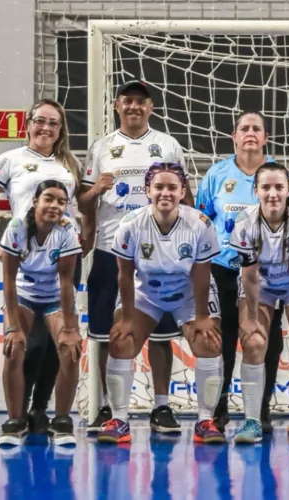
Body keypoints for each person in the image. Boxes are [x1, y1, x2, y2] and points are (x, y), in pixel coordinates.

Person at [0, 98, 85, 442]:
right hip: (25, 265)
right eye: (40, 121)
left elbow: (81, 205)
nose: (46, 128)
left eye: (53, 123)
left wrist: (86, 233)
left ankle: (43, 411)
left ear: (61, 129)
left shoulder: (69, 163)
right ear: (28, 124)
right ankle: (17, 415)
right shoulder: (11, 159)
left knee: (59, 347)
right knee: (26, 344)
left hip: (61, 260)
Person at [80, 81, 190, 435]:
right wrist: (97, 189)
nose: (134, 107)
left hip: (158, 254)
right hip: (109, 249)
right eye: (127, 101)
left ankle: (161, 406)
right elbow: (83, 201)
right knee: (102, 334)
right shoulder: (102, 147)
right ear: (116, 105)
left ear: (151, 107)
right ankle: (105, 407)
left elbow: (185, 198)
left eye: (141, 102)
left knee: (161, 335)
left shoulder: (168, 145)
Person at [97, 162, 224, 445]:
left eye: (172, 187)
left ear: (182, 192)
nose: (165, 193)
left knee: (208, 341)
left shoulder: (200, 224)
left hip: (189, 293)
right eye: (159, 187)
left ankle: (205, 420)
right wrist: (128, 317)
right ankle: (119, 419)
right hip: (146, 294)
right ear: (147, 191)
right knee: (121, 339)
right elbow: (125, 274)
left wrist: (202, 315)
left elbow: (203, 274)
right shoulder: (130, 225)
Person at [196, 111, 287, 432]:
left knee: (265, 338)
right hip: (222, 268)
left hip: (266, 272)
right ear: (233, 136)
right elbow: (201, 223)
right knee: (224, 338)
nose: (250, 133)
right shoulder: (216, 175)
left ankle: (260, 408)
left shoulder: (277, 174)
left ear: (265, 138)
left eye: (257, 129)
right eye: (244, 128)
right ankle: (218, 407)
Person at [229, 160, 289, 444]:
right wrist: (254, 318)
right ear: (256, 190)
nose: (272, 194)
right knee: (255, 341)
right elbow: (251, 275)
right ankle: (252, 421)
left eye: (279, 187)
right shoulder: (245, 222)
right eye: (266, 187)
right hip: (263, 285)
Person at [0, 181, 82, 447]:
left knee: (70, 350)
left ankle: (61, 420)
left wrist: (70, 328)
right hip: (23, 294)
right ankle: (15, 422)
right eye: (49, 199)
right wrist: (13, 325)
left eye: (61, 201)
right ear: (35, 201)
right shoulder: (17, 227)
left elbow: (67, 281)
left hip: (54, 296)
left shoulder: (68, 231)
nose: (55, 206)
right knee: (16, 346)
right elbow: (9, 280)